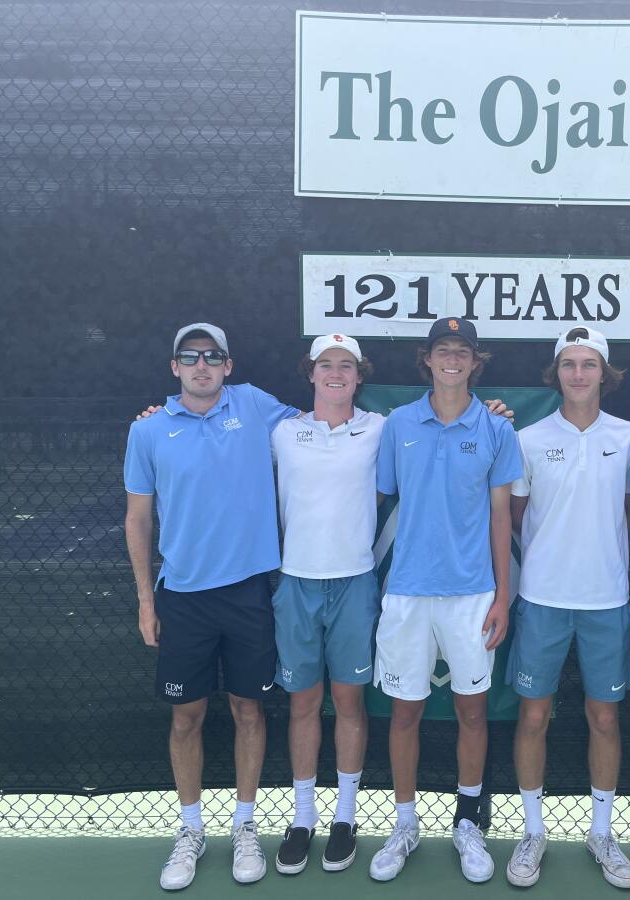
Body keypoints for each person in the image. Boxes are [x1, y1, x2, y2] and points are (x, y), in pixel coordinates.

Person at [124, 323, 299, 891]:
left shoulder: (255, 406)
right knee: (187, 718)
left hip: (250, 591)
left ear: (229, 364)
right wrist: (147, 601)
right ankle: (191, 831)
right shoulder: (148, 431)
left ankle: (245, 826)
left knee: (250, 713)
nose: (202, 365)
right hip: (183, 598)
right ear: (175, 366)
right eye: (190, 357)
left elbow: (325, 420)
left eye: (213, 356)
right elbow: (139, 519)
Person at [368, 316, 522, 885]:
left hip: (472, 595)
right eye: (442, 350)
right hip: (406, 592)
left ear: (474, 362)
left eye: (462, 351)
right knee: (404, 712)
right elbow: (385, 494)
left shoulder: (496, 428)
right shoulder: (398, 425)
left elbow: (502, 516)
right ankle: (404, 824)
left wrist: (503, 597)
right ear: (427, 359)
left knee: (472, 710)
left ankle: (468, 823)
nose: (452, 359)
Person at [503, 327, 630, 890]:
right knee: (533, 716)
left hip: (608, 601)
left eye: (589, 364)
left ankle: (601, 832)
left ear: (605, 374)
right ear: (555, 373)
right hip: (541, 601)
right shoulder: (529, 439)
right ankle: (533, 831)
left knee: (603, 717)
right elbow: (515, 517)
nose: (579, 374)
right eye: (568, 365)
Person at [270, 333, 383, 875]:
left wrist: (496, 409)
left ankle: (344, 816)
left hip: (356, 584)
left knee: (351, 704)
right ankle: (303, 818)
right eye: (325, 364)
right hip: (296, 584)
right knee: (302, 705)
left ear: (359, 376)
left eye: (346, 365)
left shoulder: (379, 429)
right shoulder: (282, 432)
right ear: (310, 373)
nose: (335, 372)